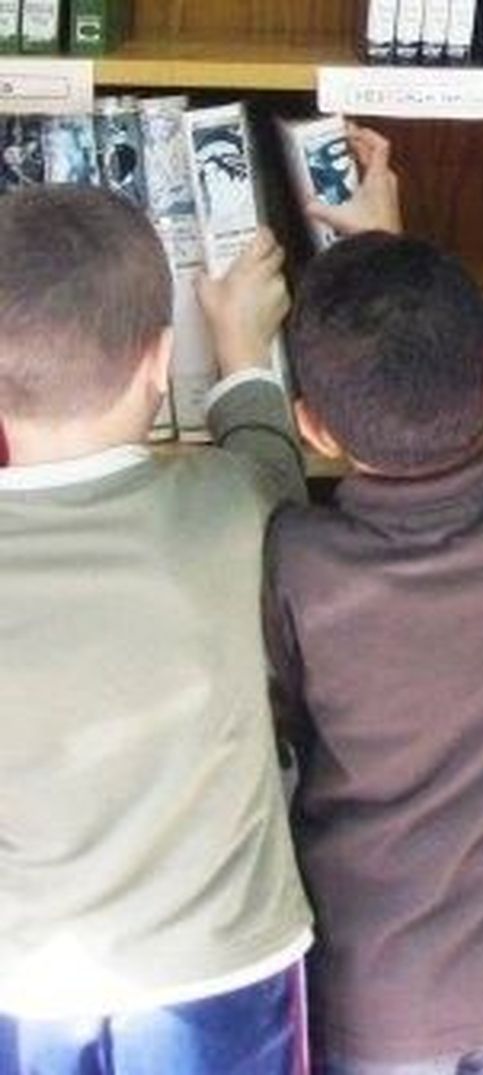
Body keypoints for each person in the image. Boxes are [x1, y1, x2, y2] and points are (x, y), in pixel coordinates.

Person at [264, 129, 483, 1075]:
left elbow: (280, 720)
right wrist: (393, 239)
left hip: (372, 994)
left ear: (313, 430)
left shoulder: (298, 560)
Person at [0, 186, 312, 1073]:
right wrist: (245, 350)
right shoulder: (224, 509)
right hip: (219, 969)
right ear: (159, 362)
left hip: (23, 975)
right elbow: (272, 464)